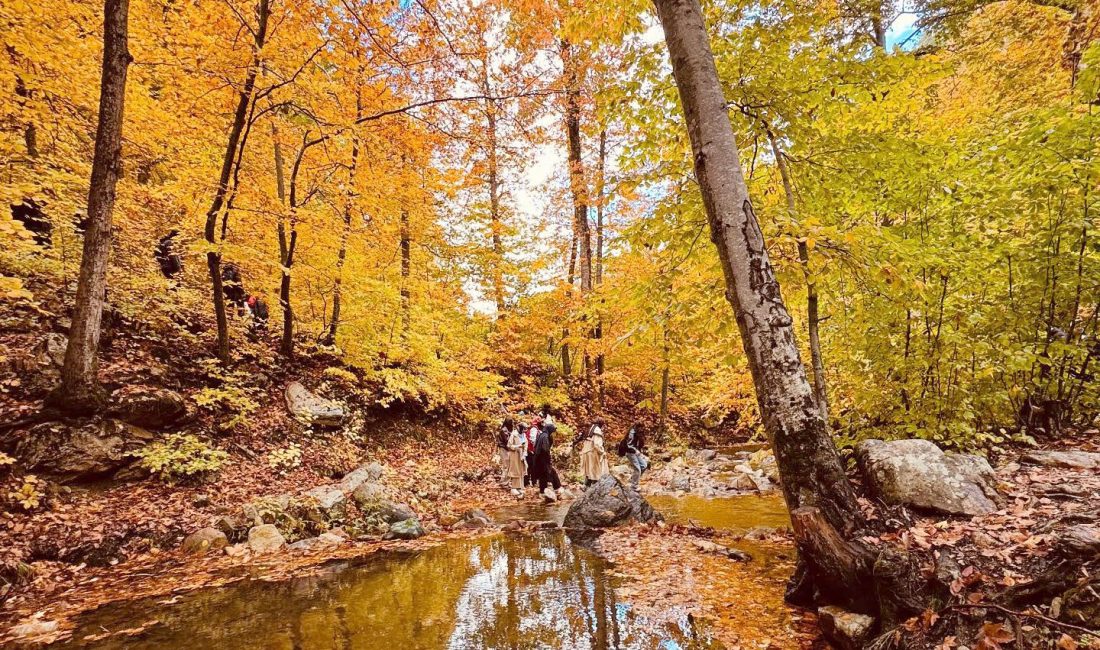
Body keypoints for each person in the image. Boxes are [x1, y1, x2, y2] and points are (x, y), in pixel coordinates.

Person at [530, 419, 562, 500]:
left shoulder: (542, 435)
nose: (553, 433)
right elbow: (545, 449)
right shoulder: (545, 437)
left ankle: (542, 491)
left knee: (543, 476)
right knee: (552, 472)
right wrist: (548, 460)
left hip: (538, 459)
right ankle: (558, 488)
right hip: (543, 459)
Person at [578, 419, 609, 487]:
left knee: (589, 471)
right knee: (596, 472)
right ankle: (594, 489)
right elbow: (597, 445)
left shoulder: (590, 428)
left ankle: (586, 486)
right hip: (593, 452)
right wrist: (602, 452)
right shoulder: (597, 430)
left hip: (586, 452)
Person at [619, 423, 649, 487]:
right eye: (641, 428)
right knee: (637, 469)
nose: (642, 429)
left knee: (644, 465)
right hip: (629, 452)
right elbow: (629, 445)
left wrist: (641, 451)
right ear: (637, 427)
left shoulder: (639, 432)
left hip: (635, 452)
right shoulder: (632, 433)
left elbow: (639, 443)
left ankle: (633, 480)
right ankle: (634, 485)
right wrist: (636, 451)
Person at [504, 422, 527, 496]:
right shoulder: (514, 435)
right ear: (520, 428)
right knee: (515, 470)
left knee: (521, 470)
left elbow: (525, 444)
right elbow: (509, 445)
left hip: (521, 455)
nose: (525, 431)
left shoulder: (524, 435)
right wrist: (518, 446)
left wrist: (524, 454)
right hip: (514, 455)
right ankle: (514, 488)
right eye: (524, 429)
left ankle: (520, 487)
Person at [496, 418, 514, 482]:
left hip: (505, 448)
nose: (512, 424)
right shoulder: (504, 430)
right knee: (506, 465)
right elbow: (507, 441)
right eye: (511, 423)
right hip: (503, 448)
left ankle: (504, 480)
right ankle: (504, 481)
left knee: (507, 465)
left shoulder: (507, 430)